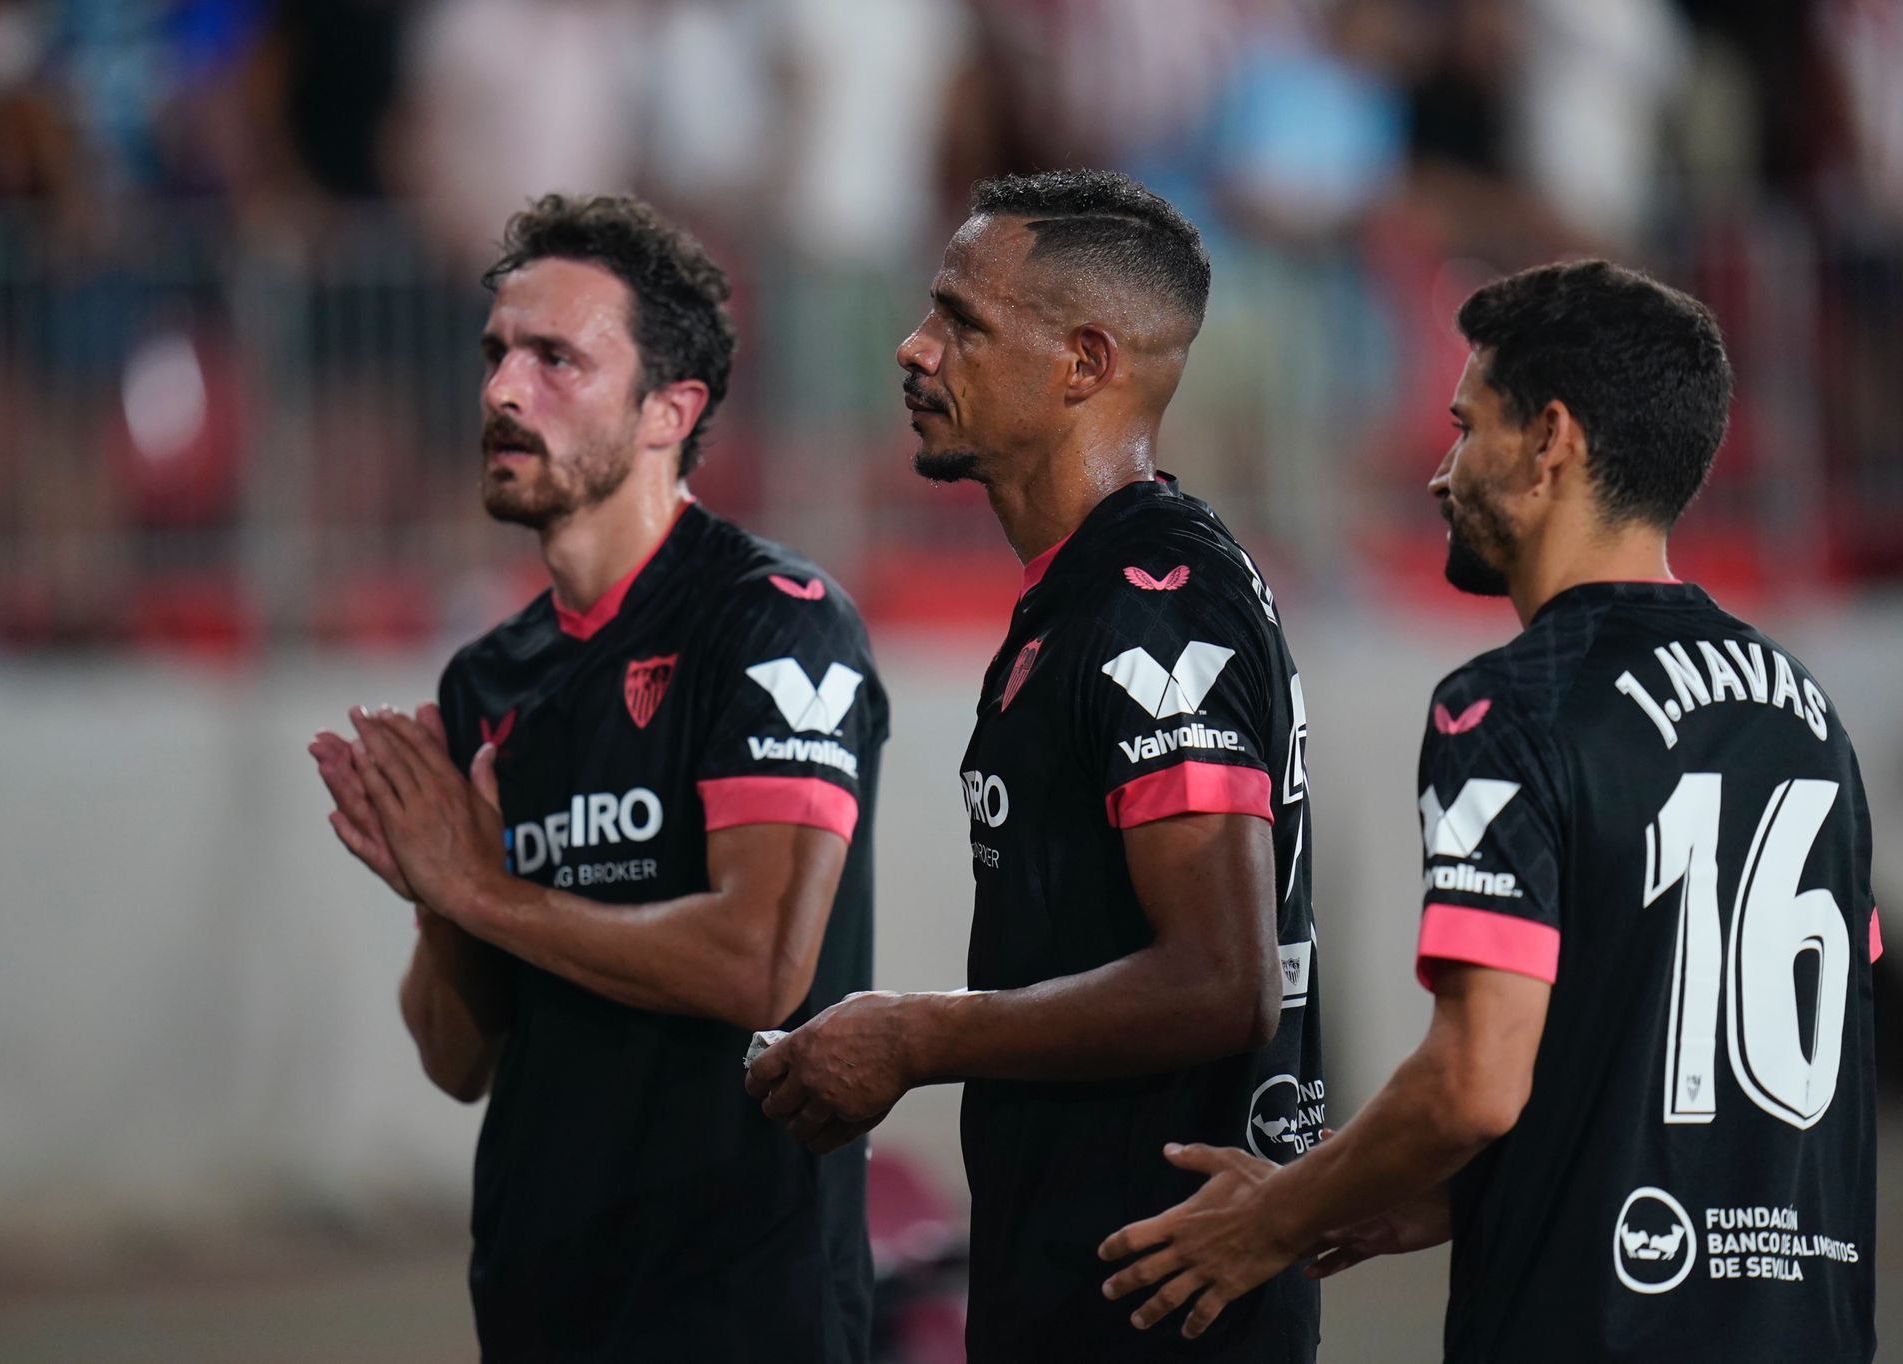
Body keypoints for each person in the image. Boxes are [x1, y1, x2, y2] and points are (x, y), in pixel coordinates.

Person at [1099, 260, 1879, 1361]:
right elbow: (1681, 1058)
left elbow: (1472, 1080)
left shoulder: (1507, 704)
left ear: (1547, 438)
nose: (1438, 471)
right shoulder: (1807, 717)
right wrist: (1441, 1195)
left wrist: (1269, 1217)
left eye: (1466, 426)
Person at [746, 169, 1324, 1362]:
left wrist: (914, 1035)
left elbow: (1225, 976)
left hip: (1159, 1310)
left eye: (961, 319)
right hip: (1086, 1286)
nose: (913, 349)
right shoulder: (1089, 592)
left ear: (1082, 364)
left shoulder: (1154, 604)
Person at [307, 192, 888, 1362]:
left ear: (669, 409)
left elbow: (760, 959)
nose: (500, 393)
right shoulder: (489, 678)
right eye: (495, 354)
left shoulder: (775, 625)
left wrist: (479, 891)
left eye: (555, 358)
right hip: (541, 1295)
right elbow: (458, 1059)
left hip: (740, 1307)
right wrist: (438, 897)